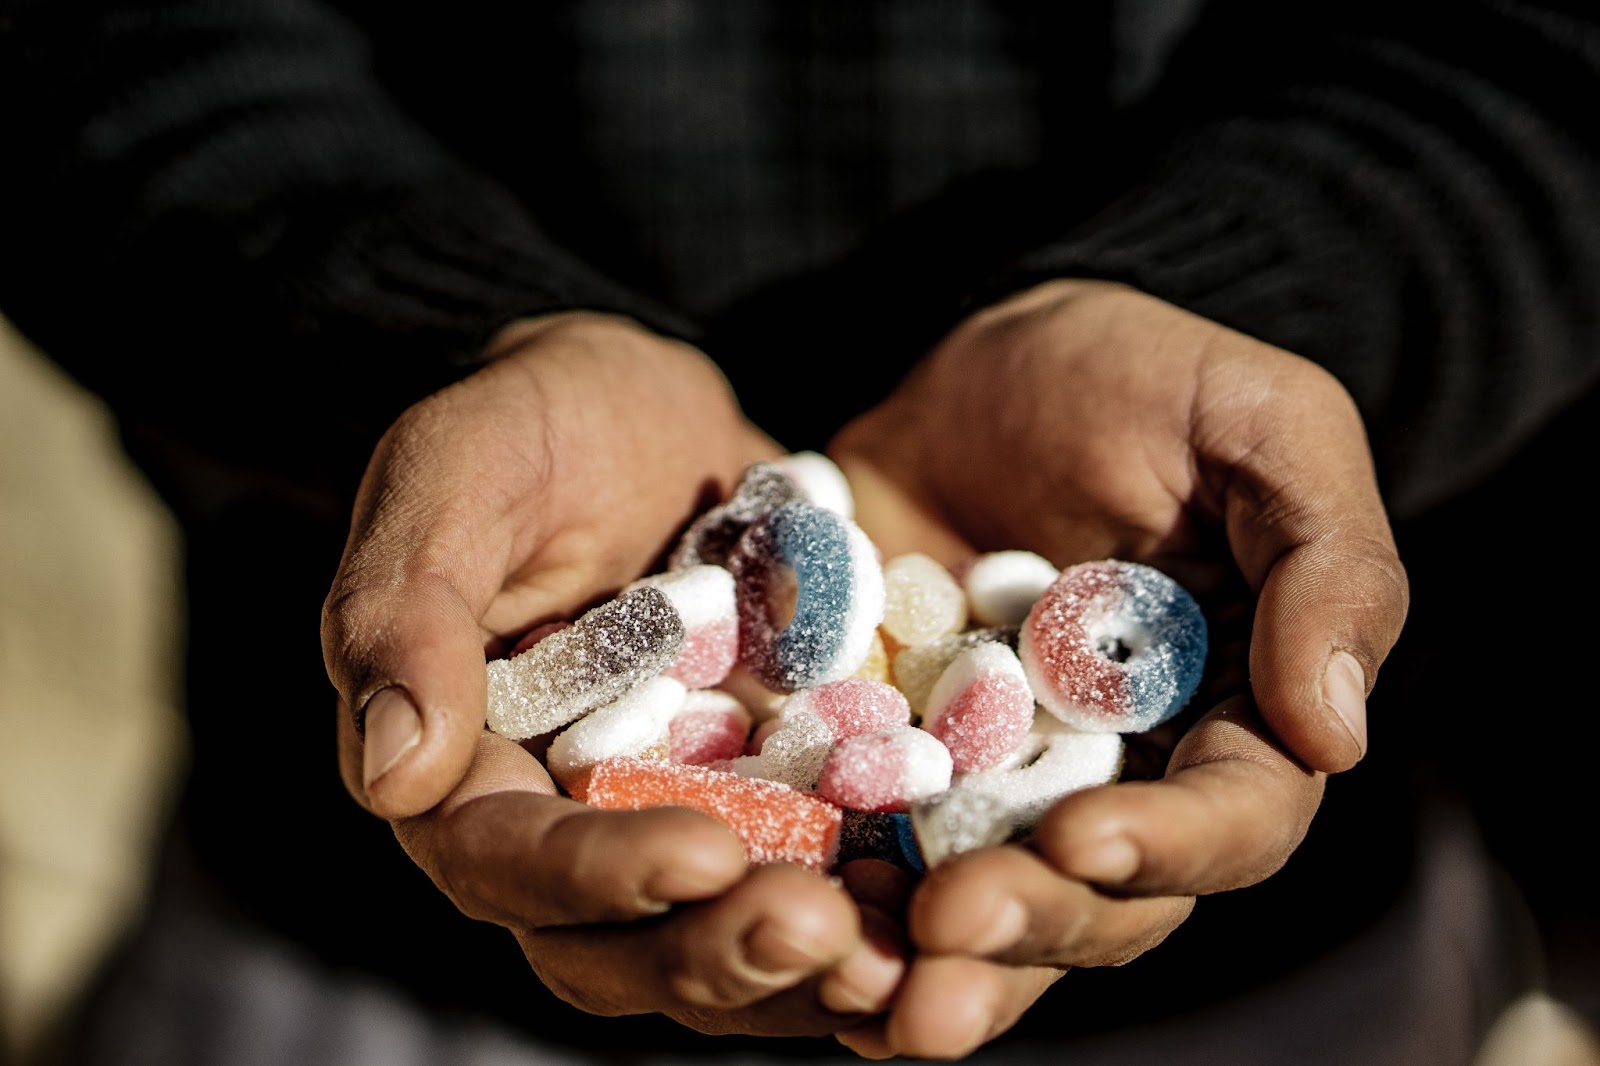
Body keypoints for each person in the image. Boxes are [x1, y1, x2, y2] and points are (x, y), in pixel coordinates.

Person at [3, 0, 1596, 1062]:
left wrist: (1281, 294)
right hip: (345, 960)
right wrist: (432, 334)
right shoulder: (782, 684)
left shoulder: (966, 669)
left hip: (1285, 988)